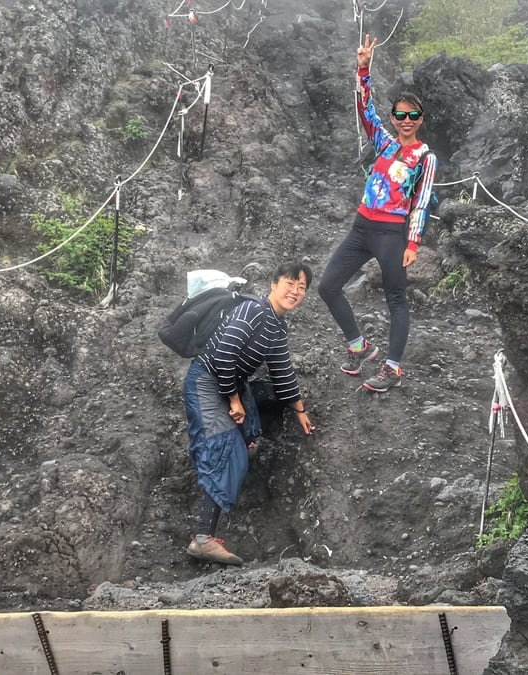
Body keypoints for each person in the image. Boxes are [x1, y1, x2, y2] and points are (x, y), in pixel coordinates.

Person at [318, 34, 437, 393]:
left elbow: (422, 202)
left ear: (420, 119)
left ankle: (393, 368)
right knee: (327, 286)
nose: (405, 120)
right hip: (362, 225)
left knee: (396, 299)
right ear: (394, 117)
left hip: (391, 234)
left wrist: (413, 244)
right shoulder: (384, 142)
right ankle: (360, 347)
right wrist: (363, 70)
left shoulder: (425, 158)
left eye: (411, 115)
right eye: (399, 114)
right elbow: (364, 109)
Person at [183, 262, 315, 565]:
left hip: (231, 385)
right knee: (224, 449)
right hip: (206, 382)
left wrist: (301, 411)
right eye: (289, 283)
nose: (294, 291)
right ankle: (202, 539)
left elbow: (283, 371)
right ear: (273, 283)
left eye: (302, 287)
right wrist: (233, 400)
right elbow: (225, 353)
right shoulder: (252, 311)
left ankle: (246, 444)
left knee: (246, 438)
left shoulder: (277, 325)